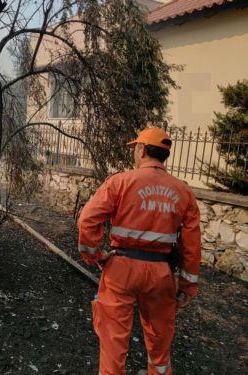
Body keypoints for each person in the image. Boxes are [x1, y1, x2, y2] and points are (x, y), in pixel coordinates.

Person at [77, 128, 201, 375]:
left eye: (135, 147)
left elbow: (87, 220)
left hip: (121, 268)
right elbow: (192, 245)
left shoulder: (120, 182)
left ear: (142, 150)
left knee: (113, 340)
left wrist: (95, 255)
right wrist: (187, 286)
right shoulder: (184, 191)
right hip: (161, 273)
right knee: (160, 342)